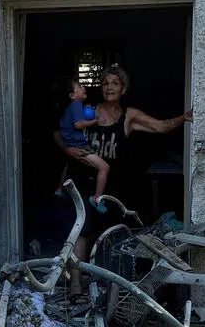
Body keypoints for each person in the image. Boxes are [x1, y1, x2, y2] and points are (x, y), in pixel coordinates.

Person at [52, 64, 193, 294]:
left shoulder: (129, 117)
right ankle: (76, 284)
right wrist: (69, 152)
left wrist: (184, 118)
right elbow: (58, 134)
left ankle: (107, 285)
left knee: (111, 232)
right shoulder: (88, 111)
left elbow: (159, 126)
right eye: (106, 83)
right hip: (81, 179)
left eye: (115, 83)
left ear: (123, 88)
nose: (109, 87)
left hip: (110, 184)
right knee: (81, 230)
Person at [55, 78, 110, 212]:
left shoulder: (71, 108)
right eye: (80, 87)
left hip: (70, 144)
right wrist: (95, 121)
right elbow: (78, 125)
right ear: (72, 95)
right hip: (79, 147)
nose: (84, 88)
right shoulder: (76, 105)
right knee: (104, 167)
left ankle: (59, 189)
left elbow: (65, 126)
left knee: (69, 165)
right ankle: (96, 199)